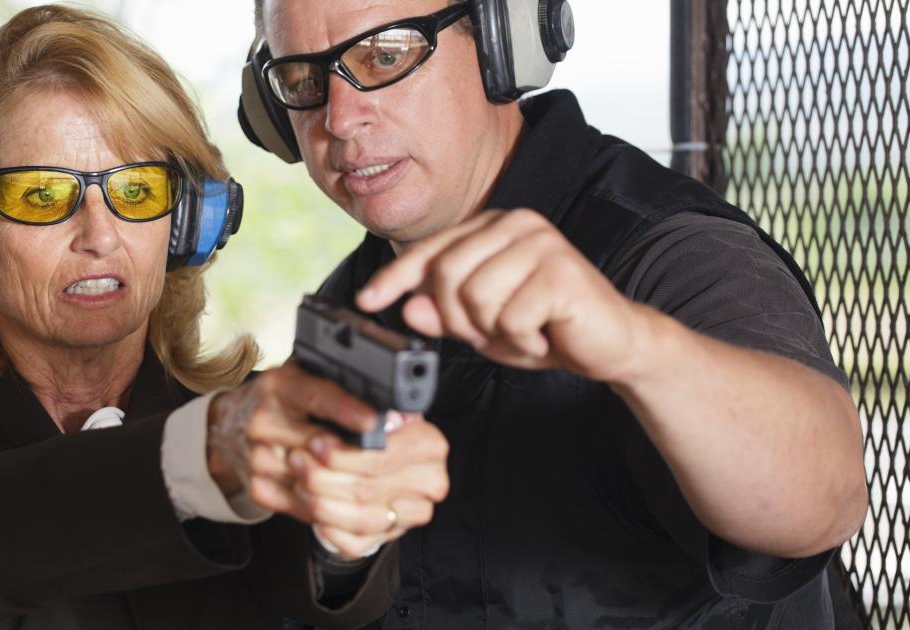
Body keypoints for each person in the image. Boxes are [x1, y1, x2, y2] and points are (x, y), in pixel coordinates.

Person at [204, 0, 870, 627]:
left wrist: (638, 348)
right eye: (302, 79)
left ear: (504, 42)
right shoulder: (353, 297)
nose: (341, 118)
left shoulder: (674, 254)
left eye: (385, 55)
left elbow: (822, 501)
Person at [0, 5, 449, 629]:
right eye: (41, 194)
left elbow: (317, 577)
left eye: (138, 190)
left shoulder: (257, 420)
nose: (99, 236)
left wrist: (349, 517)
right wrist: (209, 455)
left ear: (188, 220)